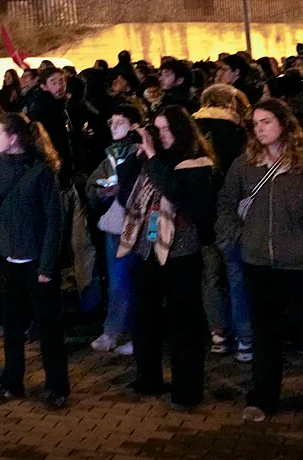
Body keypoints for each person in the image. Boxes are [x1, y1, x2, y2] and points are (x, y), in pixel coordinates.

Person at [117, 106, 217, 410]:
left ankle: (187, 389)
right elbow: (125, 192)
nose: (160, 135)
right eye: (156, 128)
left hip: (181, 249)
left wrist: (152, 158)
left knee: (183, 320)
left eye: (165, 129)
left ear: (181, 130)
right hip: (146, 246)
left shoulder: (197, 162)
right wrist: (134, 155)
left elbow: (178, 194)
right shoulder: (153, 160)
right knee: (144, 315)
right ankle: (148, 377)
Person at [216, 99, 303, 423]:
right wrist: (237, 237)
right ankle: (264, 399)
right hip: (257, 262)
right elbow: (226, 205)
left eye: (266, 121)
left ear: (284, 122)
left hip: (297, 263)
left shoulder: (299, 165)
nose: (260, 129)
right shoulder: (245, 164)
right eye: (255, 123)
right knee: (265, 334)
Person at [0, 114, 69, 410]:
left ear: (13, 137)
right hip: (8, 261)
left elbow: (54, 222)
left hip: (37, 263)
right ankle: (12, 381)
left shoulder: (41, 172)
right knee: (12, 326)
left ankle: (57, 385)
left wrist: (47, 264)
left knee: (48, 327)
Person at [194, 84, 253, 360]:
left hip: (201, 216)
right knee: (236, 275)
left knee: (211, 277)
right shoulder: (238, 133)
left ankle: (218, 334)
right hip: (231, 214)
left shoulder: (191, 130)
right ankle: (245, 338)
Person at [85, 105, 144, 356]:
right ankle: (114, 331)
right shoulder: (111, 154)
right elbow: (92, 184)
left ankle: (132, 334)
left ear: (134, 126)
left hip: (138, 224)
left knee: (136, 280)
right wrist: (101, 192)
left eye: (120, 122)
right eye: (112, 122)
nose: (113, 127)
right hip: (116, 224)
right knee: (118, 280)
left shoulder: (141, 152)